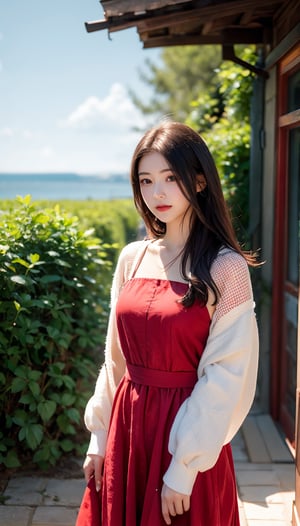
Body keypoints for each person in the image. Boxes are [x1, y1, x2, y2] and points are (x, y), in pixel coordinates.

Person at [76, 121, 259, 526]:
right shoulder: (133, 257)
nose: (156, 193)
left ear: (198, 182)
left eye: (170, 178)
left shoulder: (225, 267)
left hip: (187, 433)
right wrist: (99, 434)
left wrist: (184, 467)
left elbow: (226, 376)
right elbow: (114, 359)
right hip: (128, 426)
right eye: (145, 180)